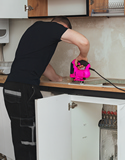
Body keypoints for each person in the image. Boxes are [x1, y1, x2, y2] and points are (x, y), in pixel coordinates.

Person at [2, 16, 90, 160]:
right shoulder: (54, 28)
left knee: (21, 140)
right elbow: (83, 42)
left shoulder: (35, 29)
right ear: (64, 28)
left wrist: (58, 79)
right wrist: (83, 56)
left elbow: (43, 66)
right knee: (29, 143)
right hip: (24, 90)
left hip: (11, 89)